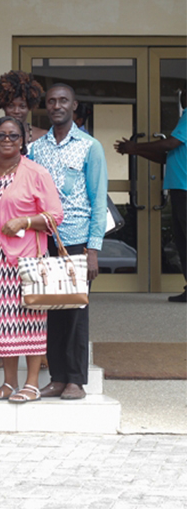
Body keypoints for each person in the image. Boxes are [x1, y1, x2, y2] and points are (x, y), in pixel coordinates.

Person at [0, 117, 63, 403]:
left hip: (27, 260)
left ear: (23, 141)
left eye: (14, 136)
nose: (7, 141)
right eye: (1, 136)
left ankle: (31, 384)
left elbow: (55, 216)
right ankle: (9, 383)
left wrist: (25, 221)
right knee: (2, 324)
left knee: (30, 320)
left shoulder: (36, 173)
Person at [30, 83, 107, 400]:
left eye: (63, 100)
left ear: (75, 106)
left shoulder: (90, 147)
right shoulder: (36, 149)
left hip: (76, 240)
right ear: (46, 107)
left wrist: (93, 250)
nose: (57, 105)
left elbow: (98, 199)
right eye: (51, 101)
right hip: (43, 241)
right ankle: (58, 378)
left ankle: (76, 380)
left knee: (75, 311)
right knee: (51, 311)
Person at [115, 101, 187, 303]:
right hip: (180, 188)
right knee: (182, 242)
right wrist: (136, 151)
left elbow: (170, 144)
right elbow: (169, 157)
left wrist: (136, 146)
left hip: (185, 189)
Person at [0, 70, 48, 146]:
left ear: (29, 106)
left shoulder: (43, 136)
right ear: (3, 106)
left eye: (22, 106)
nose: (16, 111)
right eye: (11, 106)